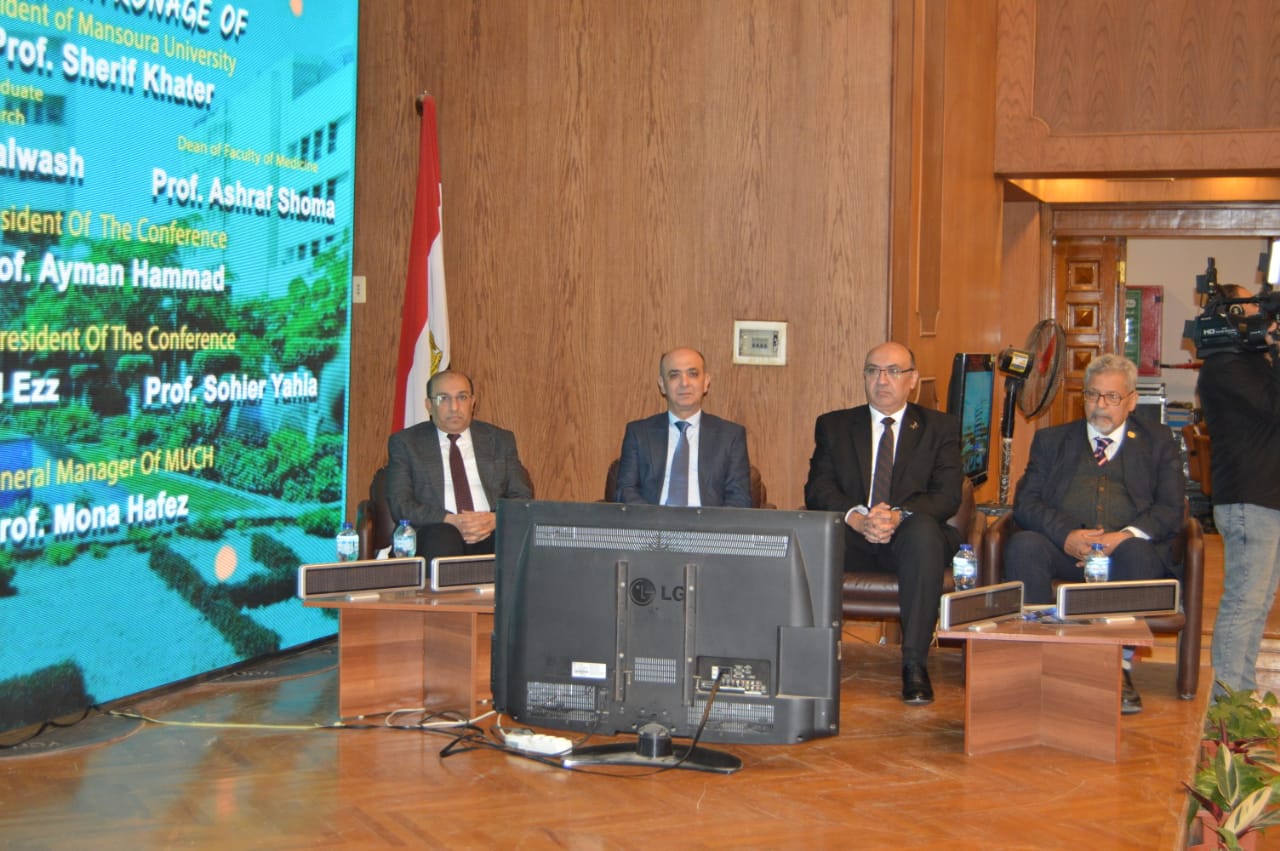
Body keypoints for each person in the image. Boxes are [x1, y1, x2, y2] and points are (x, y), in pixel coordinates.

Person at [1004, 353, 1185, 714]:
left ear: (1131, 401)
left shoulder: (1157, 441)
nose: (1101, 405)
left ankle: (1118, 666)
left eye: (1112, 397)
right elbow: (1026, 502)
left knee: (1138, 552)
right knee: (1024, 545)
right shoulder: (1052, 440)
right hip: (1066, 552)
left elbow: (1171, 509)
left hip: (1124, 556)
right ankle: (1040, 660)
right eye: (1093, 395)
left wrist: (1124, 536)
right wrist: (1066, 535)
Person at [804, 341, 962, 705]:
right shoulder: (834, 425)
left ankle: (914, 664)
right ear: (864, 377)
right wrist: (857, 518)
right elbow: (818, 488)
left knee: (924, 532)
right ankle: (810, 657)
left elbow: (946, 495)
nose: (882, 380)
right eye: (873, 371)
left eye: (893, 371)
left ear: (913, 380)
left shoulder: (940, 428)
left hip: (910, 537)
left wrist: (896, 515)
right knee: (814, 534)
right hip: (855, 537)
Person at [1198, 284, 1280, 694]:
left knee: (1259, 602)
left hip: (1265, 497)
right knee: (1244, 602)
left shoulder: (1249, 361)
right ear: (1229, 316)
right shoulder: (1225, 365)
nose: (1261, 316)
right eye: (1251, 308)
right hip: (1249, 499)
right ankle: (1226, 703)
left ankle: (1241, 694)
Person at [386, 369, 533, 559]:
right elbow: (401, 504)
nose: (454, 407)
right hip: (436, 532)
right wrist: (451, 520)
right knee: (444, 536)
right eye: (444, 398)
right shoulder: (406, 443)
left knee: (516, 536)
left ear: (472, 402)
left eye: (462, 397)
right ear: (429, 405)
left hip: (490, 530)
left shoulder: (499, 440)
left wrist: (495, 519)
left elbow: (522, 496)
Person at [615, 347, 752, 507]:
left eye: (693, 374)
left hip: (709, 522)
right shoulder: (638, 433)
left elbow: (739, 499)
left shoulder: (731, 436)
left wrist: (709, 523)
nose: (684, 383)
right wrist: (655, 520)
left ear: (706, 382)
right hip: (652, 521)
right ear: (662, 385)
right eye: (674, 375)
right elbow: (625, 490)